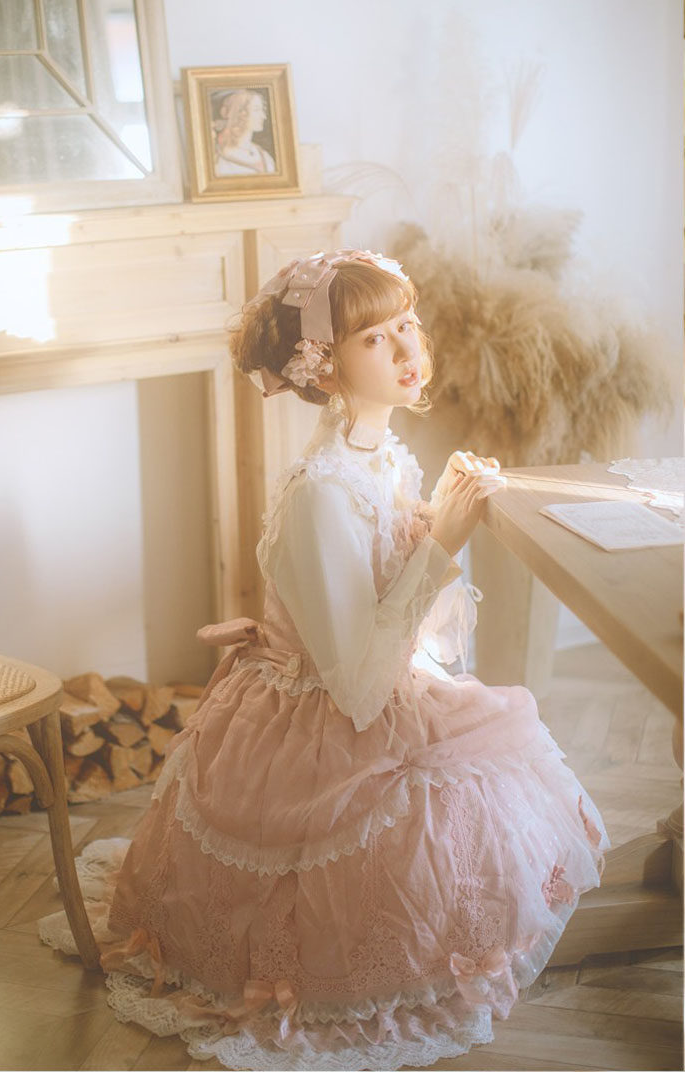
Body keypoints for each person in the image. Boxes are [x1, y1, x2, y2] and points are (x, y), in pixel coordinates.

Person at [38, 249, 609, 1071]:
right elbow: (358, 688)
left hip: (372, 685)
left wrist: (430, 518)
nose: (408, 349)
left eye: (407, 324)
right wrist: (441, 542)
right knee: (419, 824)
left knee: (487, 783)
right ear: (324, 366)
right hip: (317, 723)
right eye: (376, 339)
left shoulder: (380, 456)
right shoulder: (318, 494)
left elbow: (418, 636)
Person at [212, 88, 277, 176]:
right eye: (256, 110)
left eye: (262, 110)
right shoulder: (218, 157)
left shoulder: (262, 154)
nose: (263, 116)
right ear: (238, 113)